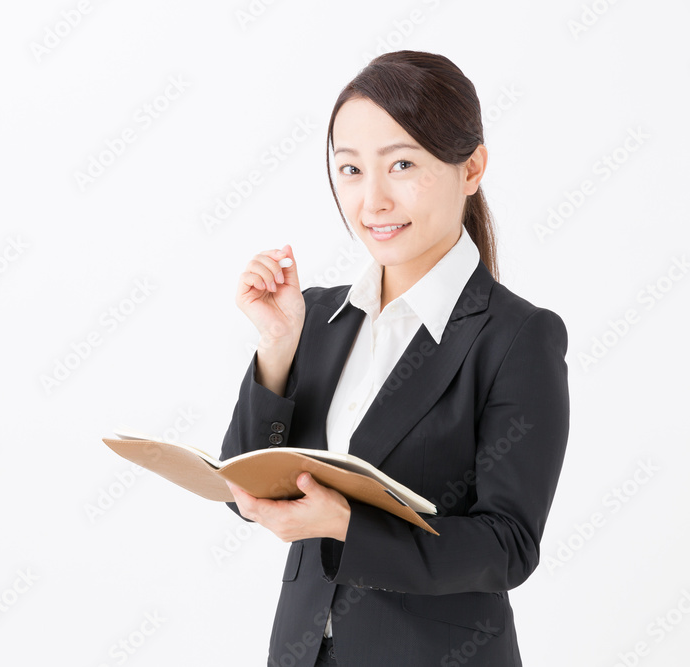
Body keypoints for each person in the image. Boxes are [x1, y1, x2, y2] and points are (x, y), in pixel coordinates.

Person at [220, 50, 570, 666]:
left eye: (402, 164)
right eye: (350, 170)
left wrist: (348, 526)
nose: (373, 200)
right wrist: (276, 348)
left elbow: (508, 547)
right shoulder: (317, 317)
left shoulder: (517, 337)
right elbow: (240, 488)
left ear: (471, 168)